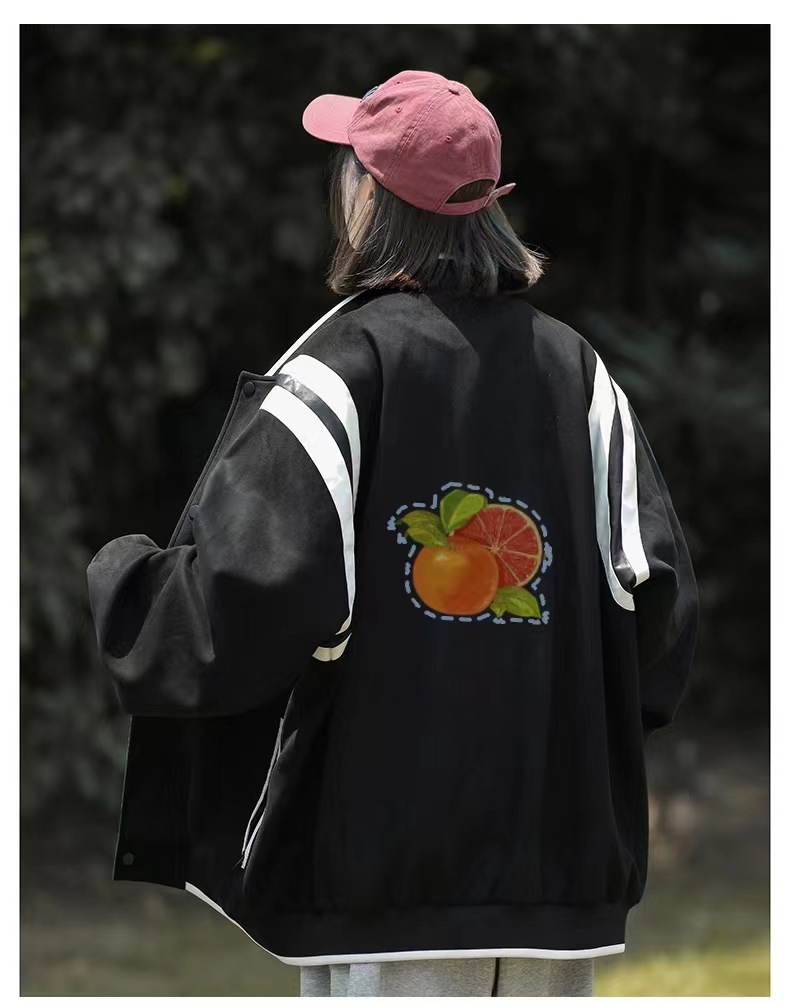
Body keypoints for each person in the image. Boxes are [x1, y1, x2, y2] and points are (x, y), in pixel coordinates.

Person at [86, 69, 700, 998]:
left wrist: (124, 579)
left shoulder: (341, 371)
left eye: (348, 169)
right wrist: (562, 725)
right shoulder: (579, 376)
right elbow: (660, 617)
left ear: (371, 197)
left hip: (382, 870)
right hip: (556, 877)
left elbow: (239, 606)